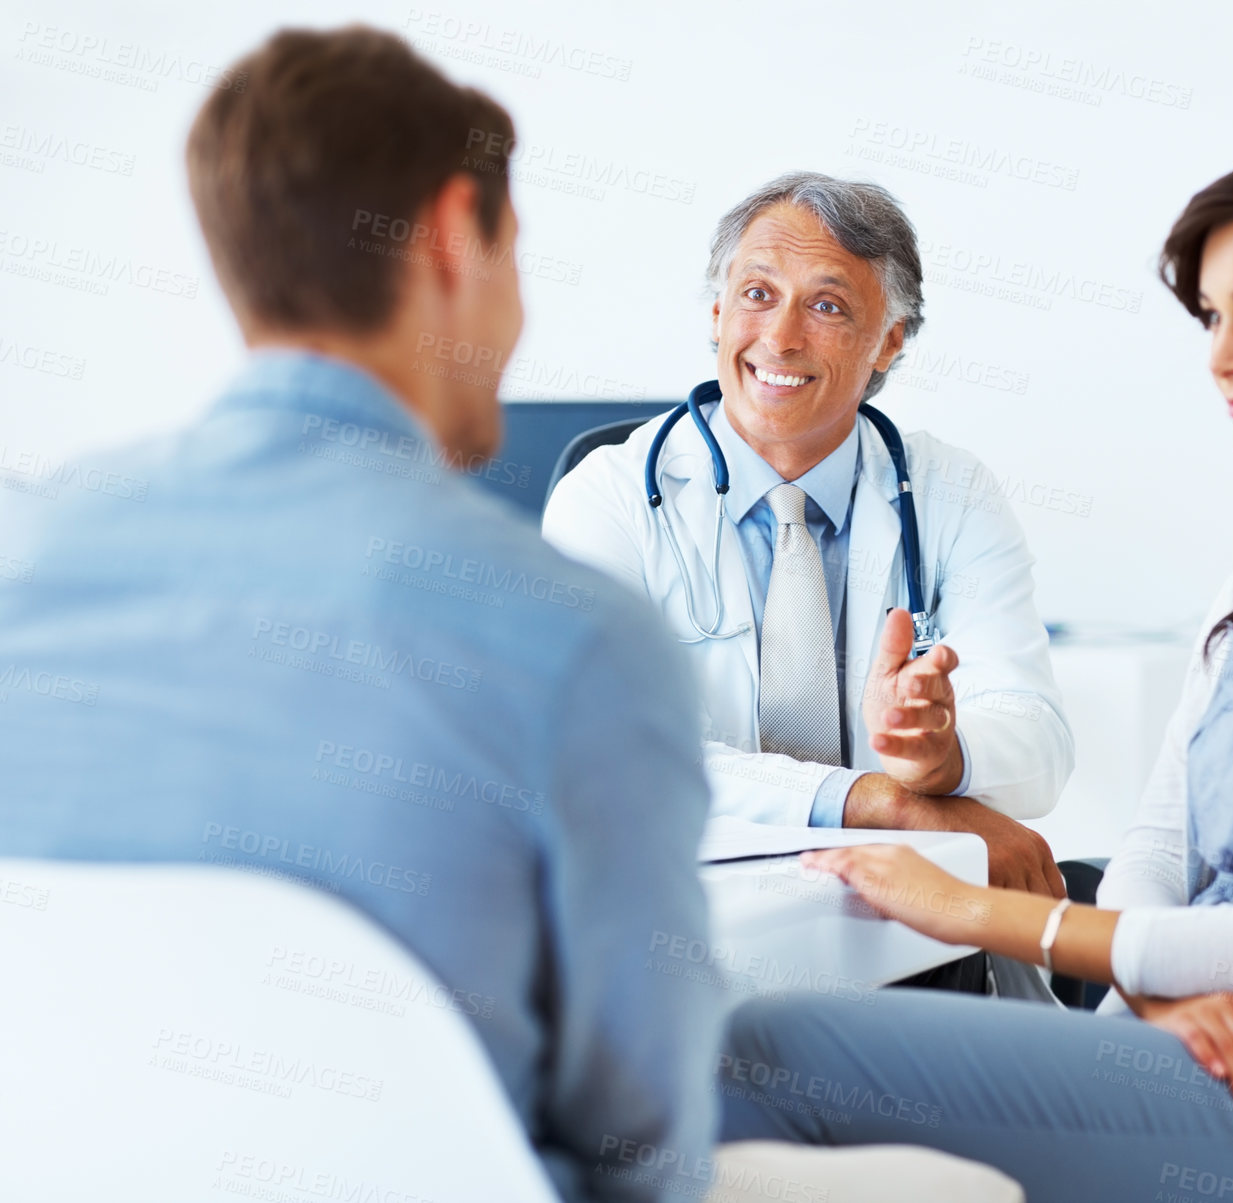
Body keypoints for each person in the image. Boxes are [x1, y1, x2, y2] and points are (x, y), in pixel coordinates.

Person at [717, 142, 1233, 1203]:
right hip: (1196, 1042)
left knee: (762, 1048)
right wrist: (1158, 998)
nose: (1219, 358)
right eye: (1211, 319)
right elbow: (1157, 853)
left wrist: (969, 911)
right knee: (745, 1051)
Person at [0, 28, 721, 1203]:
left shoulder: (21, 559)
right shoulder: (576, 641)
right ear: (448, 235)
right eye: (514, 254)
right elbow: (646, 1154)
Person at [543, 172, 1073, 905]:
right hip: (694, 918)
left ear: (887, 341)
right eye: (758, 294)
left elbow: (1038, 739)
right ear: (718, 310)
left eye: (826, 305)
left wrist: (941, 756)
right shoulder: (606, 499)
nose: (781, 338)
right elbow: (625, 752)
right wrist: (886, 801)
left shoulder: (950, 491)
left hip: (913, 931)